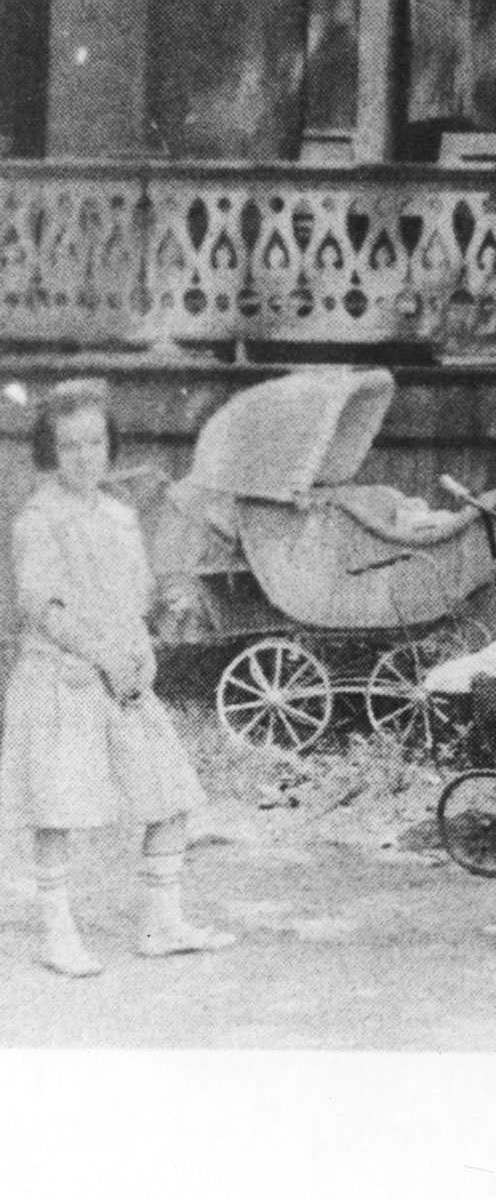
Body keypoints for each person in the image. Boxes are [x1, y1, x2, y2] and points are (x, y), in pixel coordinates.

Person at [1, 379, 228, 976]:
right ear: (50, 450)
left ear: (110, 447)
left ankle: (161, 923)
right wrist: (102, 653)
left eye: (94, 444)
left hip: (122, 680)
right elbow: (42, 608)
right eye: (69, 445)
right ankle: (57, 931)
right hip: (62, 678)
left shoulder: (120, 517)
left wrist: (145, 645)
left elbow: (134, 599)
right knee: (58, 807)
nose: (84, 457)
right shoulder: (39, 519)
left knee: (170, 793)